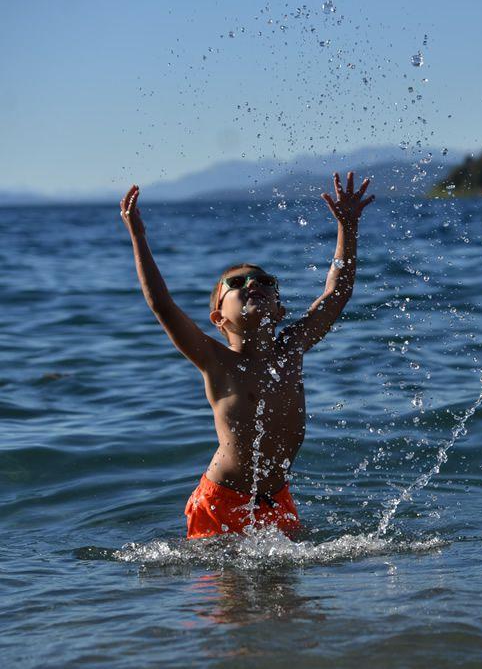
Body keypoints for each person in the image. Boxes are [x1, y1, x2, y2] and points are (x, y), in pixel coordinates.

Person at [119, 172, 375, 539]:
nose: (252, 284)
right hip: (221, 502)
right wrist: (138, 237)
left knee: (290, 595)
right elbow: (161, 304)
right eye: (236, 284)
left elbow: (338, 292)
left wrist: (347, 228)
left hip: (278, 500)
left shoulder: (292, 348)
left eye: (264, 281)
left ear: (280, 309)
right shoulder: (215, 360)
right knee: (227, 595)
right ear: (219, 318)